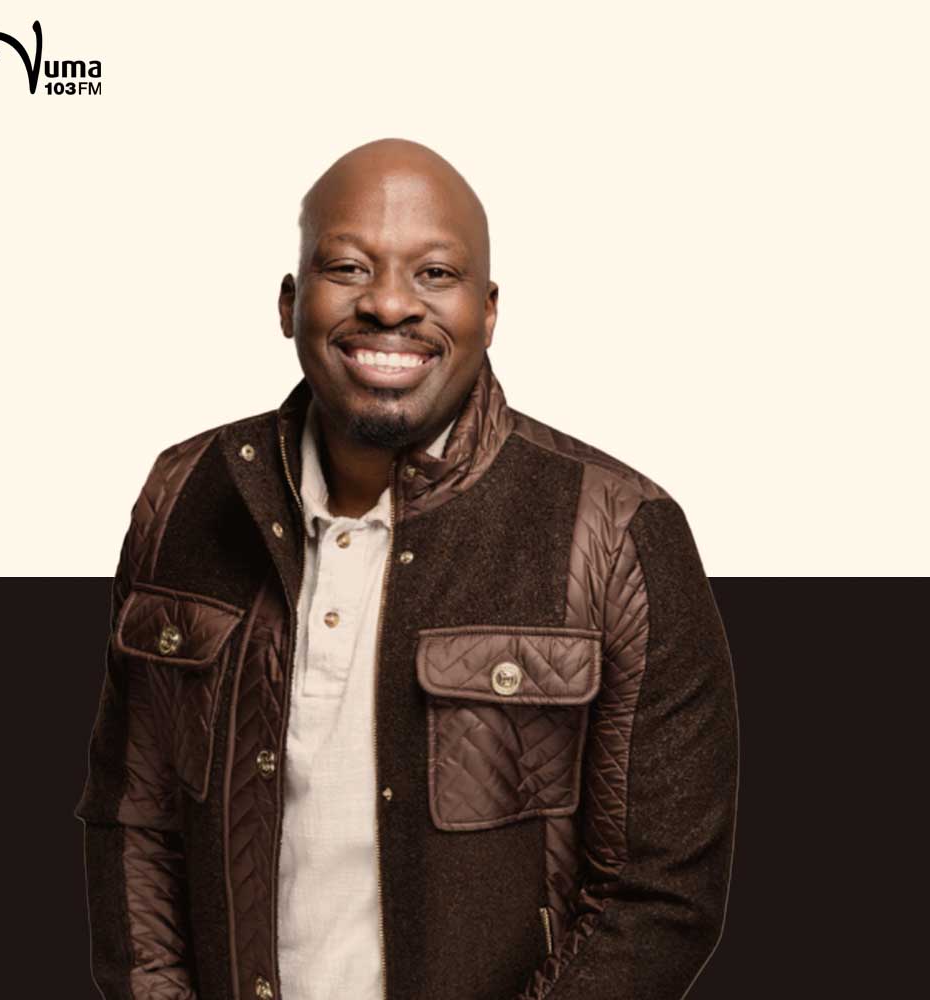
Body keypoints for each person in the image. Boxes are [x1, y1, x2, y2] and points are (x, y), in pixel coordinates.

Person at [74, 138, 739, 1000]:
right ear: (290, 301)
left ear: (487, 312)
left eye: (435, 274)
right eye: (349, 267)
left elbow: (660, 896)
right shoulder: (183, 494)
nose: (389, 304)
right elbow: (133, 819)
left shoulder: (613, 531)